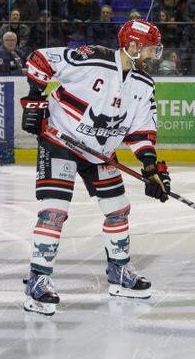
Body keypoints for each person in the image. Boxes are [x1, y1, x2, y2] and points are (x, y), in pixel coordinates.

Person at [18, 19, 168, 315]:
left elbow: (141, 131)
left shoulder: (143, 83)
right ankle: (38, 280)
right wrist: (35, 101)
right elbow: (40, 59)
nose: (153, 54)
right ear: (134, 45)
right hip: (59, 141)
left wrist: (151, 168)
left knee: (118, 209)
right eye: (150, 48)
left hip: (99, 152)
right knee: (54, 211)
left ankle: (119, 273)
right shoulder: (92, 59)